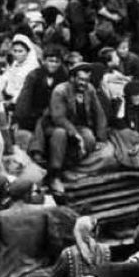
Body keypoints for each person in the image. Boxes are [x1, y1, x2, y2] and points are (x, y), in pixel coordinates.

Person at [41, 62, 108, 192]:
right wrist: (76, 135)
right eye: (81, 79)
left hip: (78, 126)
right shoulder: (60, 90)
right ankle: (55, 175)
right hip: (55, 126)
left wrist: (101, 137)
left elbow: (99, 113)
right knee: (60, 134)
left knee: (89, 138)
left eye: (86, 80)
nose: (84, 83)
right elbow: (58, 118)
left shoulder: (89, 89)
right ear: (72, 78)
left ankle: (70, 166)